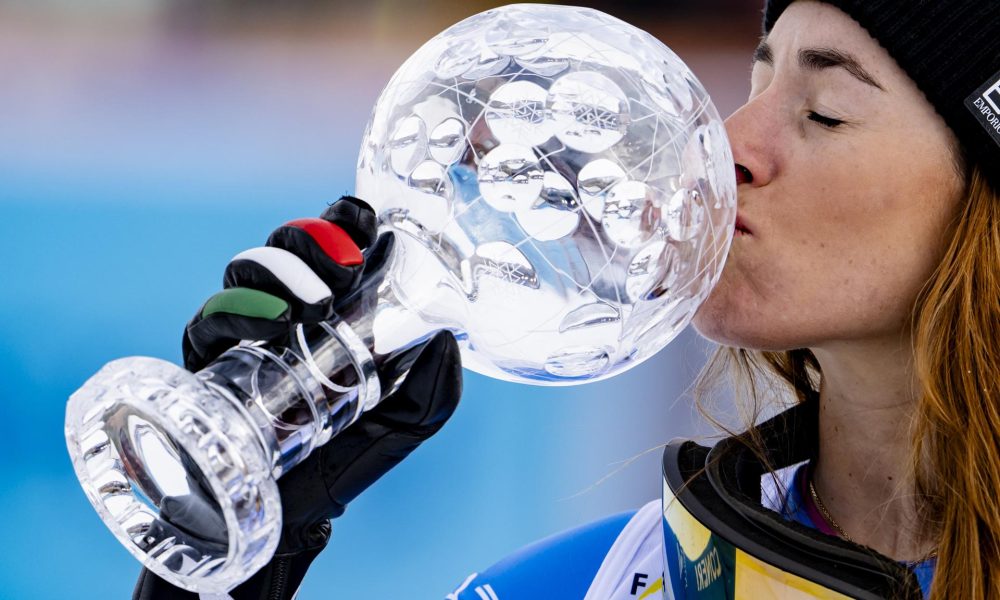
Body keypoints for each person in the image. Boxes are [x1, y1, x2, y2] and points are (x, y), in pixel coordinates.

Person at [135, 0, 1000, 598]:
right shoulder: (583, 587)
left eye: (826, 113)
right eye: (754, 86)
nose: (728, 144)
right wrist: (230, 564)